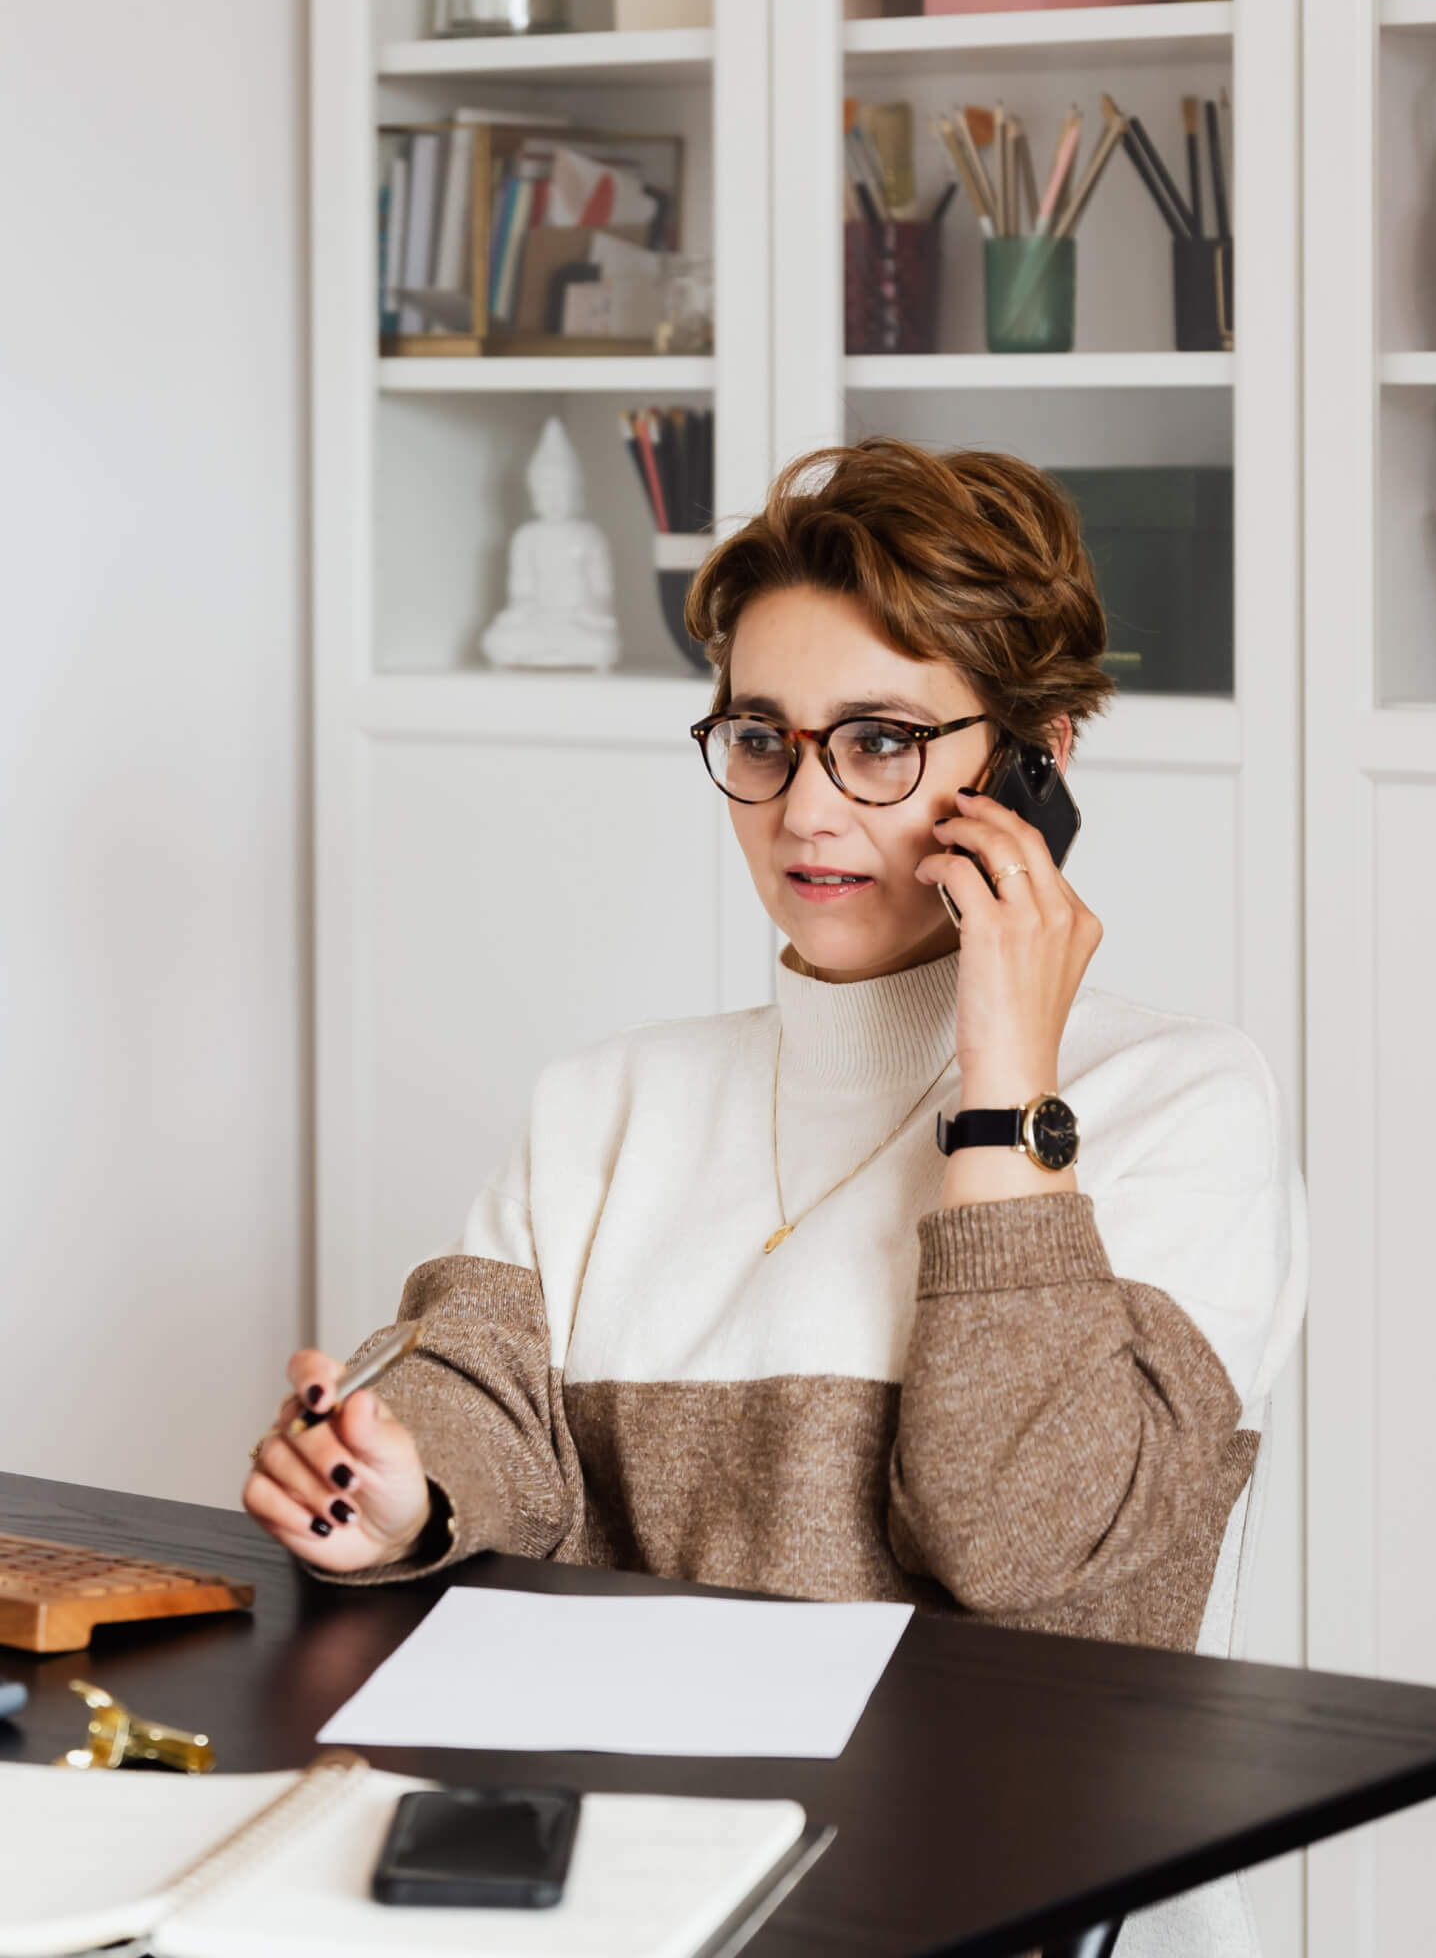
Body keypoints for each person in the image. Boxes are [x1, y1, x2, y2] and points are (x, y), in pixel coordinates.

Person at [245, 439, 1306, 1945]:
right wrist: (399, 1487)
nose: (803, 811)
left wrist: (1004, 1081)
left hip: (977, 1893)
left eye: (877, 741)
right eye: (761, 737)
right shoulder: (606, 1098)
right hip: (609, 1873)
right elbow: (488, 1407)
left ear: (1036, 763)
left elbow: (1026, 1550)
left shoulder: (1181, 1102)